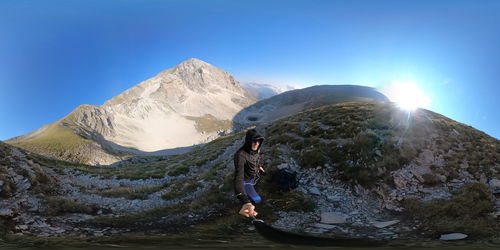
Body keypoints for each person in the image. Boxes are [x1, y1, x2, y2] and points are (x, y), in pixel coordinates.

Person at [233, 128, 265, 217]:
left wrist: (259, 167)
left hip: (253, 178)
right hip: (246, 182)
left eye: (259, 141)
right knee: (257, 200)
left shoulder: (256, 150)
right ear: (248, 141)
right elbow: (238, 178)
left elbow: (256, 159)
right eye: (254, 140)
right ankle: (242, 207)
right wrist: (245, 201)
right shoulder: (240, 155)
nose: (257, 143)